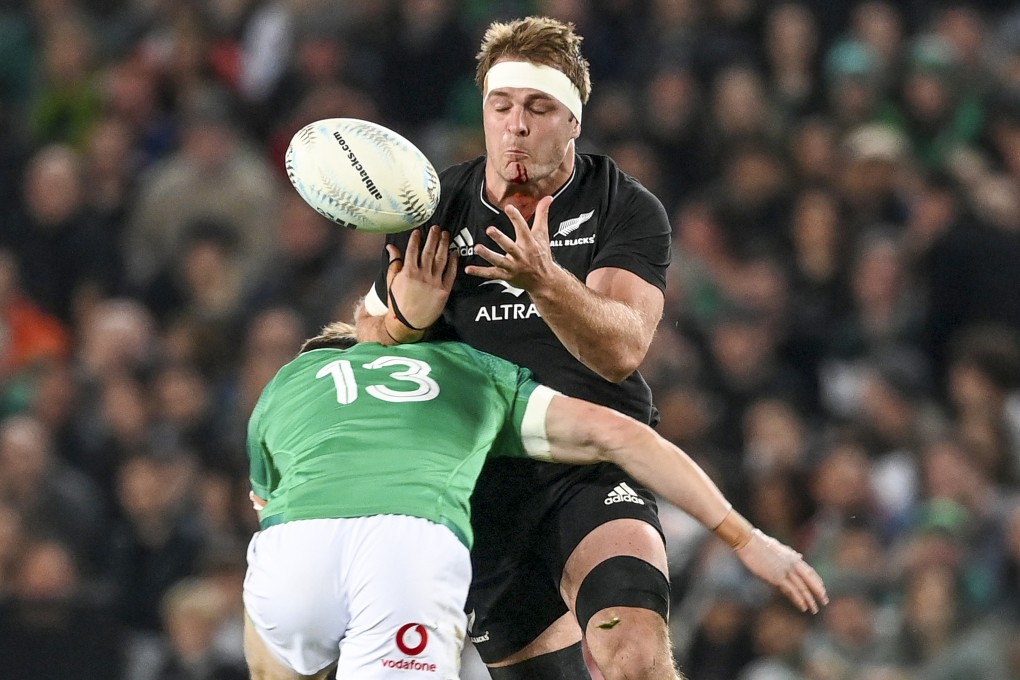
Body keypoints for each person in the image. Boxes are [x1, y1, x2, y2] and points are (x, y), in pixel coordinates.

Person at [245, 227, 828, 680]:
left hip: (295, 548)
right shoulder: (467, 369)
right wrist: (746, 539)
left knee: (275, 635)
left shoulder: (289, 382)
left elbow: (265, 498)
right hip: (409, 543)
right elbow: (622, 435)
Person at [356, 15, 682, 680]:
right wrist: (406, 322)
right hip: (478, 494)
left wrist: (545, 281)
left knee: (634, 648)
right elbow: (367, 349)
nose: (517, 125)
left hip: (591, 465)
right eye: (500, 105)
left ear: (573, 120)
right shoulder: (433, 207)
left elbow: (622, 349)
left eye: (539, 107)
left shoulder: (622, 205)